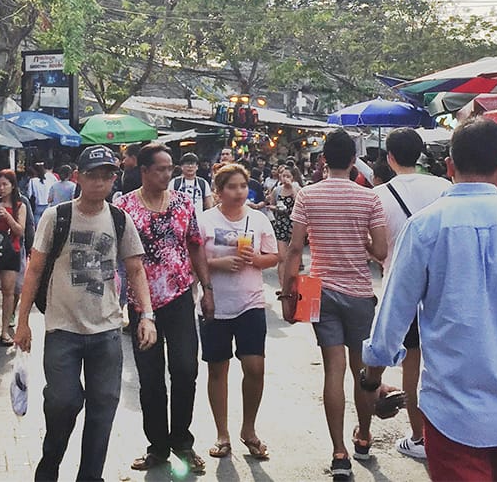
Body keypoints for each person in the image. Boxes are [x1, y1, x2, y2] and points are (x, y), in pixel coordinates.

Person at [362, 118, 497, 481]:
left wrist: (372, 379)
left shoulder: (425, 227)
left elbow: (392, 316)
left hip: (450, 411)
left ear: (449, 167)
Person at [14, 145, 156, 482]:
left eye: (107, 175)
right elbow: (33, 270)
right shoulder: (56, 216)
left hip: (106, 330)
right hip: (62, 329)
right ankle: (50, 465)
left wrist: (147, 315)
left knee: (103, 409)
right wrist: (21, 324)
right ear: (78, 177)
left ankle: (90, 476)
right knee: (63, 401)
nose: (99, 182)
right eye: (92, 175)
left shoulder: (120, 219)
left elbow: (135, 269)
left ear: (113, 179)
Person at [282, 130, 389, 478]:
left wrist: (288, 293)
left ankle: (339, 452)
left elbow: (296, 249)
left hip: (319, 288)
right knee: (362, 371)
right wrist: (363, 244)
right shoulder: (368, 198)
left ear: (323, 160)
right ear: (353, 159)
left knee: (333, 370)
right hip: (359, 292)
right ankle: (365, 436)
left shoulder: (307, 196)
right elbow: (382, 251)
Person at [114, 143, 215, 474]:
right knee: (150, 378)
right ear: (143, 171)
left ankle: (182, 442)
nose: (167, 173)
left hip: (180, 298)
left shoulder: (184, 203)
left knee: (186, 370)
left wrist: (207, 288)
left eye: (170, 168)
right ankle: (157, 446)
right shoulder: (125, 206)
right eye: (160, 168)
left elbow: (196, 246)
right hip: (142, 306)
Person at [373, 128, 452, 461]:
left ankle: (419, 437)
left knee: (411, 366)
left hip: (403, 290)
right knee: (447, 363)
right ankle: (451, 432)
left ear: (390, 159)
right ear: (420, 154)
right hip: (446, 288)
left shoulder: (379, 195)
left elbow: (375, 248)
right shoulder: (446, 188)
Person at [198, 164, 280, 462]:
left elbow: (274, 256)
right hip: (215, 305)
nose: (239, 192)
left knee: (254, 367)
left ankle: (249, 429)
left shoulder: (258, 219)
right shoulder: (205, 220)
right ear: (218, 191)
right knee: (217, 369)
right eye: (231, 187)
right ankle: (222, 434)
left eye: (243, 186)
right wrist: (217, 264)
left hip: (251, 302)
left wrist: (257, 259)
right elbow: (193, 258)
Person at [0, 169, 27, 346]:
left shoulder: (20, 206)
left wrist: (7, 216)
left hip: (11, 251)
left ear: (13, 185)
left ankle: (4, 332)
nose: (1, 188)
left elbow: (20, 231)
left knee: (9, 291)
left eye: (5, 184)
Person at [267, 165, 298, 258]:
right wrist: (276, 208)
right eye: (283, 176)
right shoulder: (277, 190)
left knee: (293, 254)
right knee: (282, 256)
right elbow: (271, 204)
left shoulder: (297, 189)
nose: (285, 178)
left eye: (288, 176)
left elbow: (299, 202)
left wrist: (292, 187)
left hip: (293, 224)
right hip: (280, 223)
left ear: (293, 178)